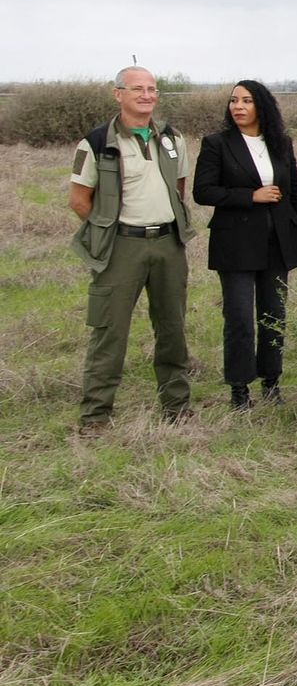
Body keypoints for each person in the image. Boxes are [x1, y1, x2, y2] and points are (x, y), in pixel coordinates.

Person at [69, 66, 196, 430]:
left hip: (168, 245)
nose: (146, 95)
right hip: (121, 247)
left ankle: (177, 407)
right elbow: (79, 200)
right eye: (137, 88)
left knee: (172, 328)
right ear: (118, 94)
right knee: (109, 331)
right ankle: (96, 415)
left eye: (152, 89)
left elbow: (179, 189)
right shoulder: (96, 142)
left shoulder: (172, 138)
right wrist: (111, 231)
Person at [193, 80, 297, 410]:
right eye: (234, 100)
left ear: (262, 106)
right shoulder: (217, 143)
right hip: (236, 244)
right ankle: (239, 388)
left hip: (278, 243)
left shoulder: (280, 143)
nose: (238, 106)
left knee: (274, 315)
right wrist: (250, 196)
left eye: (246, 101)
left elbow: (296, 193)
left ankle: (271, 382)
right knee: (240, 318)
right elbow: (202, 191)